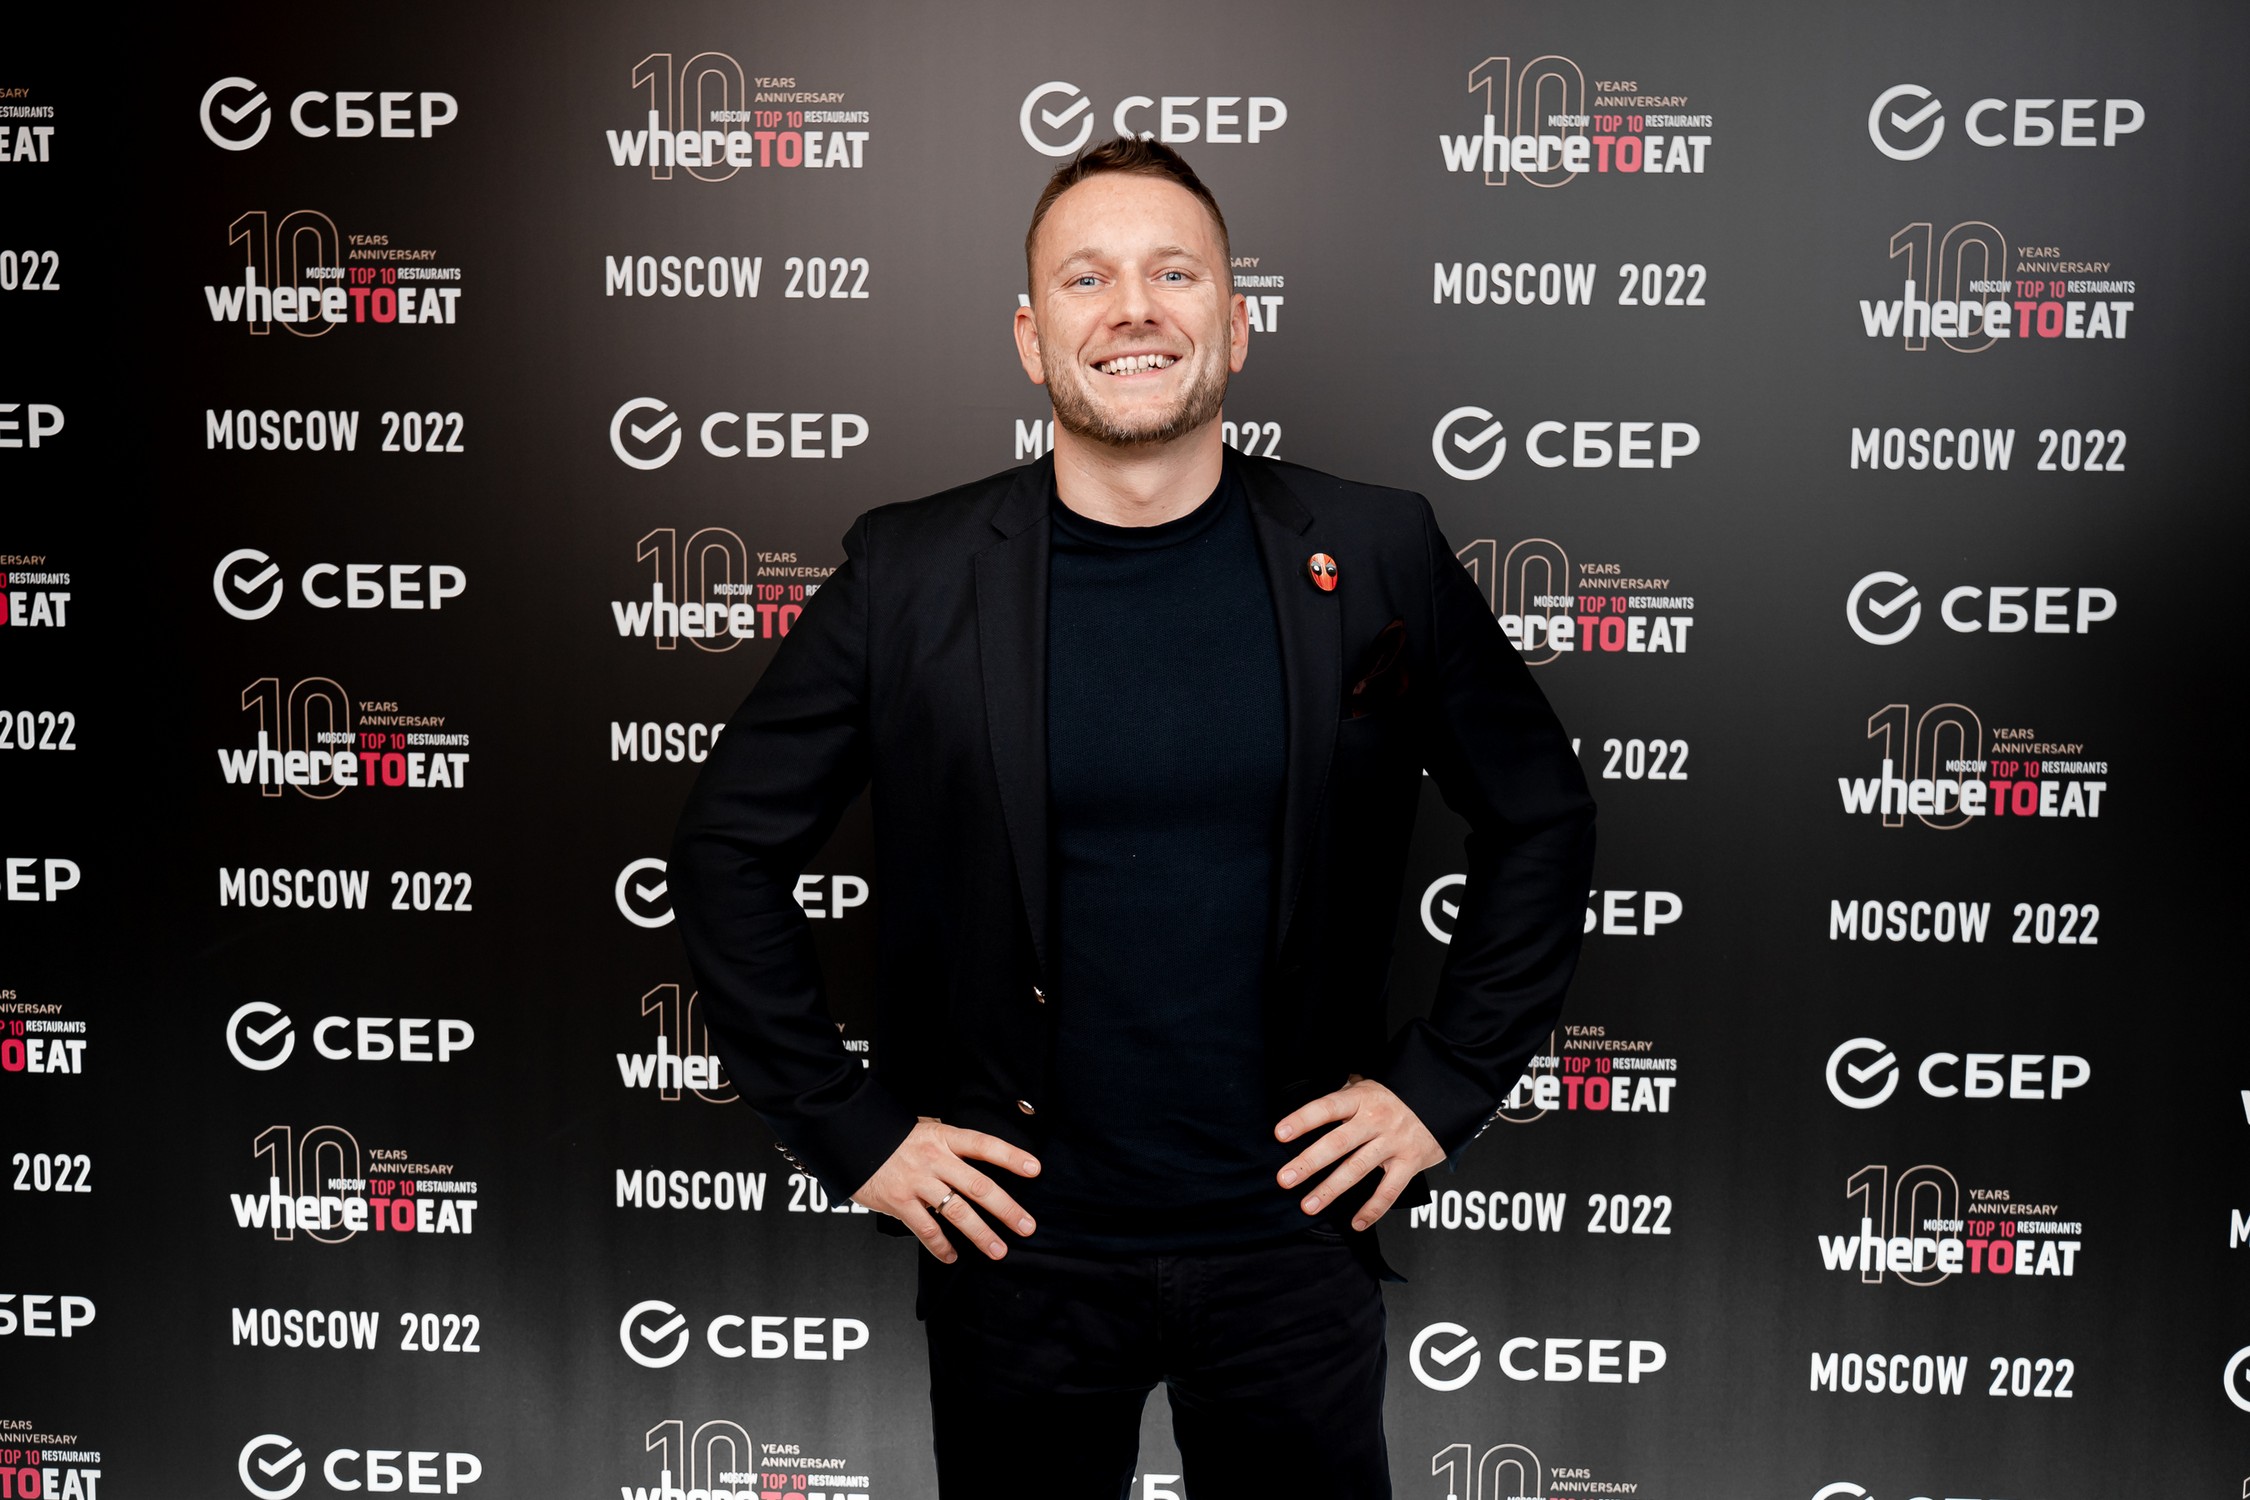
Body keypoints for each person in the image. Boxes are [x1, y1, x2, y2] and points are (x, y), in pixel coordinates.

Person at [670, 137, 1595, 1499]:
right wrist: (846, 1127)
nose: (1133, 309)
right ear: (1030, 338)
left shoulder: (1376, 550)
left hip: (1292, 1244)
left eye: (1174, 272)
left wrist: (1442, 1085)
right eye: (1086, 278)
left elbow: (1541, 816)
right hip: (1016, 1254)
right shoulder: (909, 571)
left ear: (1237, 321)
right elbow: (726, 849)